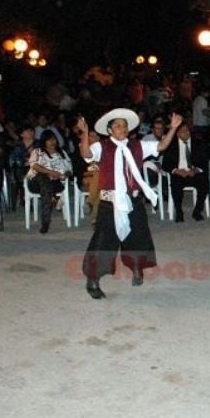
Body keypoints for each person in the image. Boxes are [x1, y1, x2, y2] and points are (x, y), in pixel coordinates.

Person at [76, 109, 182, 299]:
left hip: (133, 199)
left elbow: (161, 146)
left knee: (138, 238)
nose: (122, 128)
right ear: (109, 130)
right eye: (117, 125)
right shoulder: (102, 147)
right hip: (110, 202)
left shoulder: (137, 145)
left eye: (124, 125)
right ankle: (93, 279)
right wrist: (84, 133)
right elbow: (86, 153)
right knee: (103, 242)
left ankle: (137, 268)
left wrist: (173, 128)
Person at [25, 130, 72, 233]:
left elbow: (69, 170)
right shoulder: (37, 152)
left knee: (47, 186)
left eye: (54, 139)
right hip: (36, 182)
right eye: (49, 140)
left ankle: (46, 220)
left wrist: (62, 176)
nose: (52, 141)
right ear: (44, 141)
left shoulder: (62, 153)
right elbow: (35, 166)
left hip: (57, 182)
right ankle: (53, 199)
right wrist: (50, 172)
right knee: (43, 177)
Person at [161, 123, 208, 222]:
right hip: (179, 173)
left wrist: (195, 170)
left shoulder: (198, 143)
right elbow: (165, 164)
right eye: (182, 131)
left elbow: (205, 162)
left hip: (194, 172)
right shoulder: (171, 145)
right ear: (177, 133)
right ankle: (179, 212)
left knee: (204, 183)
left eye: (187, 130)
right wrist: (176, 170)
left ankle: (197, 211)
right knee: (176, 185)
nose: (185, 133)